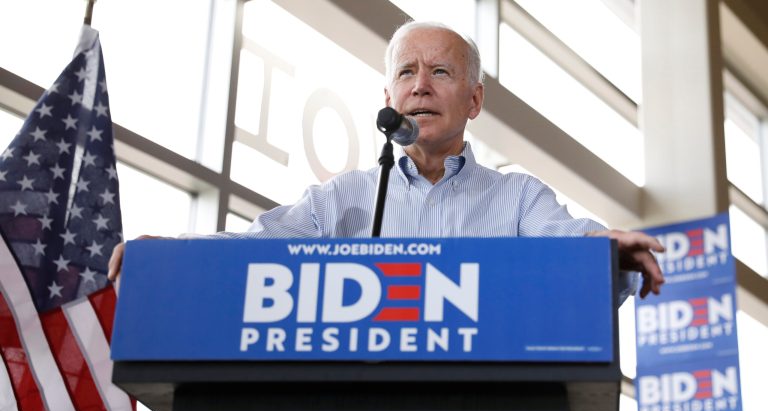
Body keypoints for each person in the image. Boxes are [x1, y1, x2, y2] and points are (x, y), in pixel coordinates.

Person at [109, 21, 664, 298]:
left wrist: (604, 247)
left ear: (473, 100)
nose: (420, 87)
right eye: (406, 73)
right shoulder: (344, 199)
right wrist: (174, 255)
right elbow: (256, 247)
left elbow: (561, 238)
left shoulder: (517, 198)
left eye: (440, 73)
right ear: (388, 99)